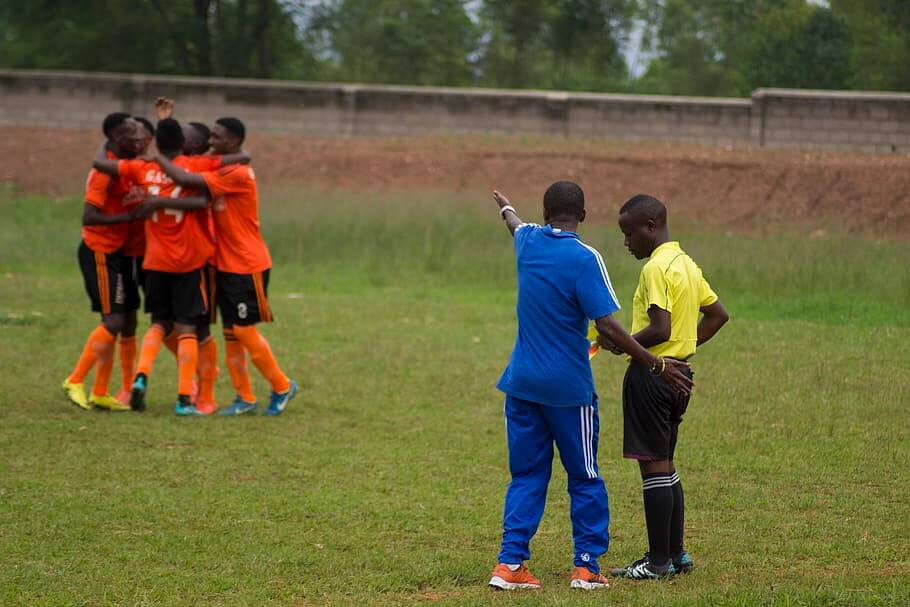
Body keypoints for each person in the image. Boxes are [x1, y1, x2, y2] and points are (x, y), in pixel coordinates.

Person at [487, 183, 692, 591]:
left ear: (545, 213)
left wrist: (506, 206)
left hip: (521, 384)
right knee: (584, 475)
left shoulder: (528, 241)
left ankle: (509, 564)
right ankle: (585, 566)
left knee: (526, 474)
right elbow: (608, 325)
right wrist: (655, 363)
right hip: (568, 390)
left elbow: (514, 224)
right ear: (584, 214)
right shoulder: (586, 258)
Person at [603, 194, 728, 580]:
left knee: (653, 467)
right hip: (679, 374)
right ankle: (676, 555)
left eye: (629, 234)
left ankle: (657, 563)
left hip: (653, 375)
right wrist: (682, 352)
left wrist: (621, 341)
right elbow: (718, 315)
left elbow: (660, 328)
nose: (626, 243)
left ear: (650, 227)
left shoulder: (656, 268)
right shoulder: (687, 264)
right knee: (667, 466)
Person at [93, 117, 249, 415]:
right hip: (191, 260)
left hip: (156, 261)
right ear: (185, 144)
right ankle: (188, 397)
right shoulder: (198, 168)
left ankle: (142, 377)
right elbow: (230, 169)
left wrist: (111, 140)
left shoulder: (143, 168)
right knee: (193, 328)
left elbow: (100, 163)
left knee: (158, 323)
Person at [154, 117, 297, 416]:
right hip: (225, 264)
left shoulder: (238, 173)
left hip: (247, 264)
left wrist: (156, 158)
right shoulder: (222, 165)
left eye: (216, 137)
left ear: (231, 142)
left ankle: (282, 386)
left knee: (244, 331)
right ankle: (244, 398)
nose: (211, 141)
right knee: (231, 334)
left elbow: (187, 179)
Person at [61, 112, 143, 412]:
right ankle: (75, 380)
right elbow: (89, 216)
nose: (136, 137)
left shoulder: (125, 163)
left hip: (119, 252)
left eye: (137, 131)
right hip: (99, 251)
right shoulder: (105, 172)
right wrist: (130, 217)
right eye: (128, 133)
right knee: (114, 321)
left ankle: (100, 391)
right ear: (113, 139)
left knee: (122, 320)